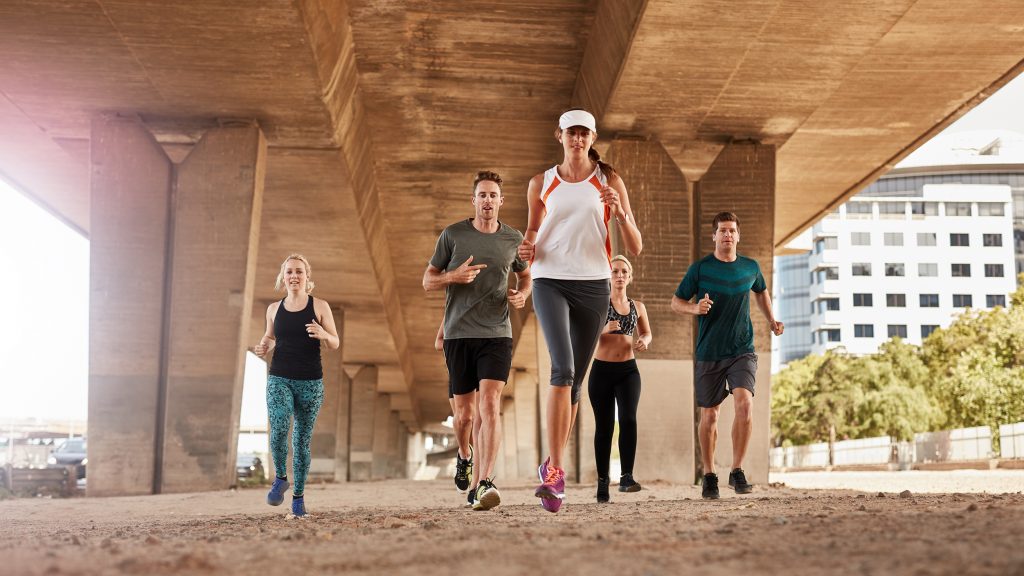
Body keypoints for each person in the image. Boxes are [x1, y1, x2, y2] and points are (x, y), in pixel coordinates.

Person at [519, 108, 642, 513]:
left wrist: (620, 213)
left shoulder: (610, 181)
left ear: (592, 137)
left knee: (573, 387)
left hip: (594, 284)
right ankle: (555, 474)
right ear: (559, 135)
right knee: (563, 369)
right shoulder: (543, 182)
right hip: (549, 279)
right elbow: (533, 229)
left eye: (583, 134)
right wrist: (527, 247)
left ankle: (550, 467)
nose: (577, 140)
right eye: (570, 133)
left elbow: (635, 245)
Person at [424, 170, 531, 511]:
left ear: (501, 201)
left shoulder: (512, 239)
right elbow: (428, 280)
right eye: (482, 195)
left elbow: (525, 274)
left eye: (492, 195)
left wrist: (522, 294)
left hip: (496, 334)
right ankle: (464, 453)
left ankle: (484, 482)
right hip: (458, 333)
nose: (487, 200)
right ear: (474, 201)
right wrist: (453, 276)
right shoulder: (453, 235)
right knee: (466, 417)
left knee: (489, 406)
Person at [670, 212, 783, 499]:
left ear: (738, 235)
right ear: (714, 236)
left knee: (745, 405)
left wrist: (771, 319)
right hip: (709, 352)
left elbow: (761, 291)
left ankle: (737, 470)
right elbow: (676, 302)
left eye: (732, 230)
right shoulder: (700, 269)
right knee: (710, 416)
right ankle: (708, 474)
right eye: (722, 231)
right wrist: (695, 309)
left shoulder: (750, 267)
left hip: (741, 349)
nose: (727, 235)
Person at [254, 254, 340, 517]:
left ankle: (298, 499)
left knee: (301, 440)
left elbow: (335, 342)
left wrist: (323, 334)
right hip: (279, 377)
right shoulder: (273, 309)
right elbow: (270, 336)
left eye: (299, 272)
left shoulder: (320, 306)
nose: (294, 276)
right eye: (289, 271)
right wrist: (263, 346)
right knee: (279, 429)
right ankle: (281, 477)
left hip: (311, 383)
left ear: (307, 276)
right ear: (284, 276)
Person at [589, 255, 652, 503]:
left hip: (628, 371)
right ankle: (603, 481)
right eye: (615, 271)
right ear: (609, 276)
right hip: (601, 371)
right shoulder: (598, 304)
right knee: (604, 427)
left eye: (624, 272)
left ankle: (627, 477)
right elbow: (583, 336)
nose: (619, 276)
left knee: (628, 419)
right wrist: (602, 329)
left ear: (630, 276)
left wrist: (644, 341)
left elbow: (647, 332)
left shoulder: (638, 306)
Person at [435, 319, 482, 506]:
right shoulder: (453, 309)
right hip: (459, 369)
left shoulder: (491, 306)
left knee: (481, 423)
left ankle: (478, 483)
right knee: (464, 419)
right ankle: (464, 456)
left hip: (485, 369)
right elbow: (438, 342)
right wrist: (457, 346)